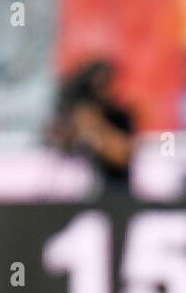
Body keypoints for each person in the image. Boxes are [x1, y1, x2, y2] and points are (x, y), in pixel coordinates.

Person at [51, 61, 136, 197]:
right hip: (74, 196)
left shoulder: (118, 115)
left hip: (114, 193)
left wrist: (96, 127)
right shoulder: (75, 116)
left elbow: (122, 155)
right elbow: (59, 149)